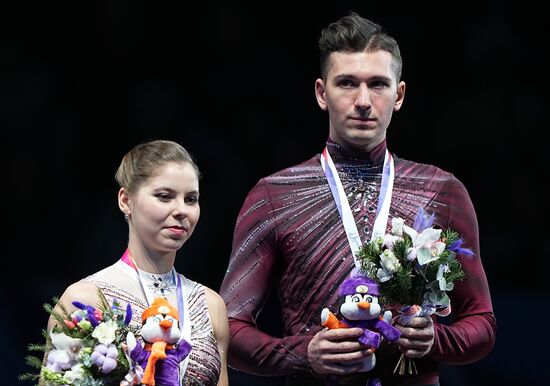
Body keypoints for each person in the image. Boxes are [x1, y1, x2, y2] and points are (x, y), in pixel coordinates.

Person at [220, 12, 496, 386]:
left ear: (398, 95)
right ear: (322, 93)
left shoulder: (442, 191)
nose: (363, 101)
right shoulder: (275, 195)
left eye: (378, 85)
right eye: (347, 83)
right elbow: (229, 329)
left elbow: (482, 323)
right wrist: (304, 354)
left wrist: (436, 339)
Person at [48, 139, 229, 386]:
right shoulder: (84, 299)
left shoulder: (211, 306)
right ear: (126, 200)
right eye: (164, 196)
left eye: (191, 199)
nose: (181, 210)